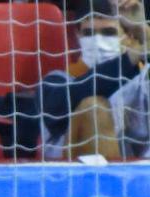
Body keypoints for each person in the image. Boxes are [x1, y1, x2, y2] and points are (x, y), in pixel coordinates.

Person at [39, 0, 149, 160]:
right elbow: (62, 101)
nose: (98, 41)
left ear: (128, 37)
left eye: (109, 32)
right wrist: (130, 58)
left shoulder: (142, 79)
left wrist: (145, 34)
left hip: (137, 178)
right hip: (66, 179)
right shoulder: (56, 81)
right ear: (77, 35)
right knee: (93, 108)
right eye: (89, 33)